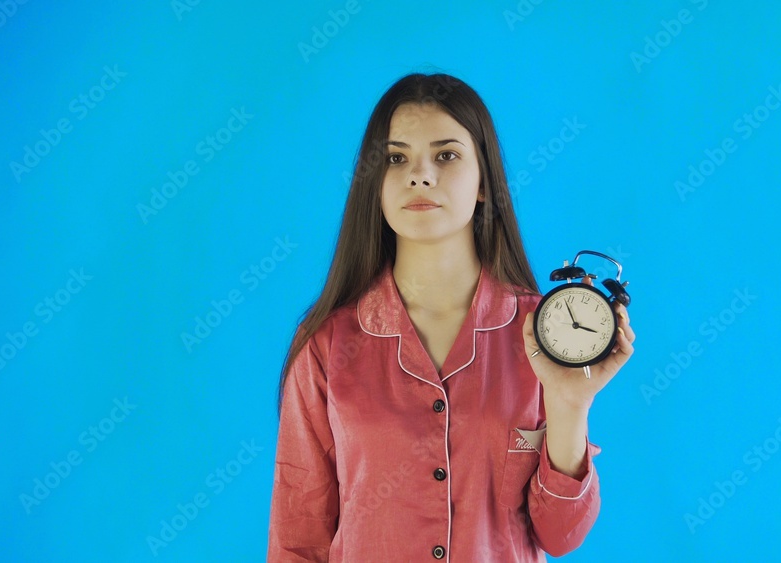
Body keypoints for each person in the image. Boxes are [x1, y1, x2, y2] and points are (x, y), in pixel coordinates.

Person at [267, 72, 635, 562]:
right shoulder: (327, 345)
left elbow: (561, 536)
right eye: (397, 158)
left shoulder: (541, 334)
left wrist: (569, 405)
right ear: (374, 185)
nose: (420, 175)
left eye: (446, 155)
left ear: (484, 183)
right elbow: (298, 538)